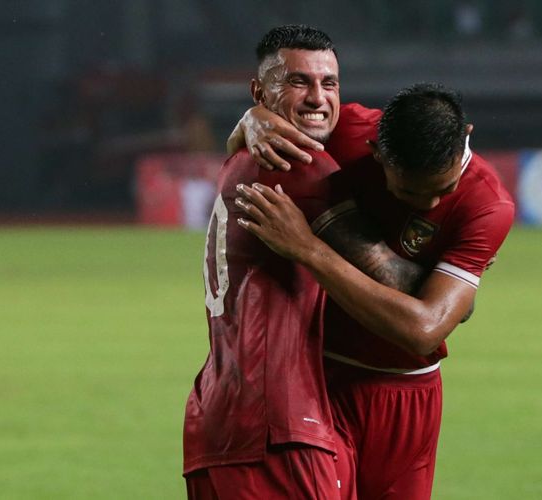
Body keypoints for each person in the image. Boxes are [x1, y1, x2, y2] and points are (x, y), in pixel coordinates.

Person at [233, 83, 515, 499]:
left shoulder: (488, 205)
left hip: (407, 391)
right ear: (376, 152)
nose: (429, 203)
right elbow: (253, 135)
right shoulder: (347, 130)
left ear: (466, 135)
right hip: (316, 379)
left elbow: (423, 330)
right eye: (409, 191)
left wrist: (309, 249)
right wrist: (251, 120)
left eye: (444, 188)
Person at [182, 25, 354, 499]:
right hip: (279, 430)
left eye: (330, 83)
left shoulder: (242, 156)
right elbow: (399, 289)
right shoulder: (300, 165)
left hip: (219, 418)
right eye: (299, 81)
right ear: (260, 92)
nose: (318, 97)